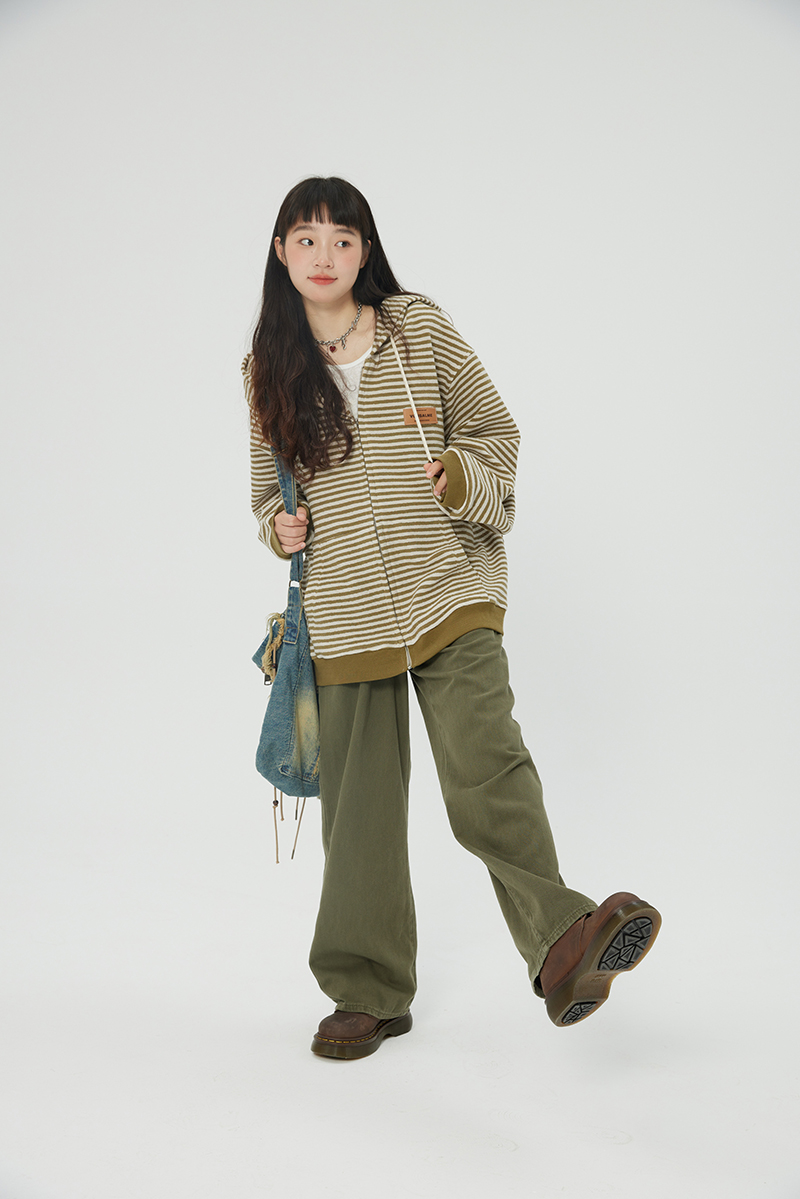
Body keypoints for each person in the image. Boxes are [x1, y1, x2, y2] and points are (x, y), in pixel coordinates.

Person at [243, 176, 661, 1060]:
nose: (325, 255)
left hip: (448, 583)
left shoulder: (417, 327)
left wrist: (461, 476)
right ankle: (368, 991)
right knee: (358, 813)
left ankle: (564, 945)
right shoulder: (267, 367)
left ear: (366, 250)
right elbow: (264, 499)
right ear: (281, 252)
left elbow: (495, 430)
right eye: (307, 238)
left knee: (486, 764)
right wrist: (278, 527)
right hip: (347, 608)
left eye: (343, 238)